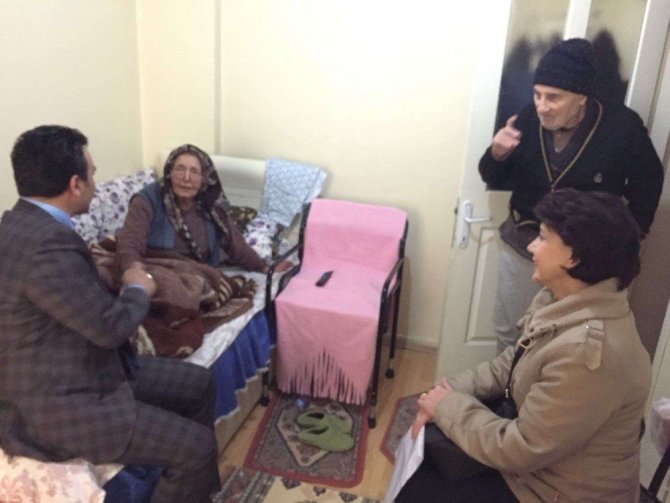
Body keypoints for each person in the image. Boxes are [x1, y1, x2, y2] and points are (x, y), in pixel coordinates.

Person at [0, 126, 221, 503]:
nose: (95, 180)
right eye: (92, 172)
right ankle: (187, 469)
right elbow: (110, 328)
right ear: (75, 184)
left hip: (83, 366)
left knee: (200, 383)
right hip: (58, 405)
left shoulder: (19, 224)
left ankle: (187, 487)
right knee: (197, 448)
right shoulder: (46, 246)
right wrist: (138, 288)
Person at [398, 188, 650, 502]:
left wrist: (447, 406)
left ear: (573, 257)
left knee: (421, 487)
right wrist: (445, 391)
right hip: (538, 471)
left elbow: (523, 448)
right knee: (426, 454)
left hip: (554, 492)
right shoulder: (561, 300)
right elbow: (510, 363)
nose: (531, 246)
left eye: (542, 238)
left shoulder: (587, 354)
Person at [480, 37, 664, 352]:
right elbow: (491, 176)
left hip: (584, 263)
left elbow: (649, 182)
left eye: (553, 97)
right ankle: (508, 385)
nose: (541, 106)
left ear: (581, 97)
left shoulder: (622, 127)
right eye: (537, 94)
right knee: (510, 332)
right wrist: (496, 153)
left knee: (566, 344)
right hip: (524, 248)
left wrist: (629, 238)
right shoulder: (526, 119)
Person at [116, 143, 291, 275]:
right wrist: (135, 272)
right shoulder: (147, 200)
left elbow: (235, 243)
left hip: (197, 275)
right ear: (169, 173)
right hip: (154, 269)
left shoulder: (211, 203)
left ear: (203, 179)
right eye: (180, 169)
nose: (186, 178)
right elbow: (130, 243)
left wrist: (264, 267)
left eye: (194, 172)